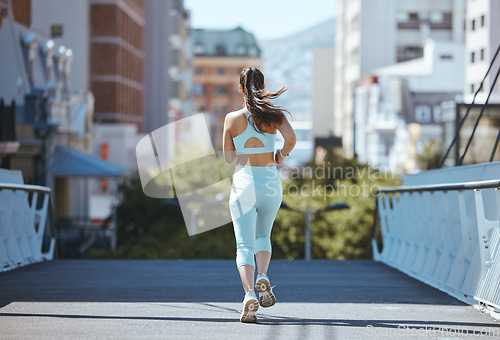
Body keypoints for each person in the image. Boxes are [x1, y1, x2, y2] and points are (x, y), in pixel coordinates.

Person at [222, 67, 296, 323]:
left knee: (244, 245)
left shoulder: (231, 119)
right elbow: (291, 139)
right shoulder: (275, 116)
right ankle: (263, 276)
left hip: (244, 182)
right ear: (263, 88)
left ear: (240, 89)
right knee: (263, 235)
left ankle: (250, 294)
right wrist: (281, 155)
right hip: (270, 183)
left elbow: (229, 158)